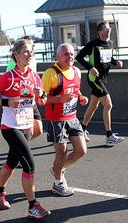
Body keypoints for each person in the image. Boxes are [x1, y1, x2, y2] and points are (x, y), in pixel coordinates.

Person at [0, 38, 50, 219]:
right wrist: (7, 102)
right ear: (16, 55)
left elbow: (43, 101)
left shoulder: (34, 76)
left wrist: (41, 94)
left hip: (26, 125)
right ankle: (33, 206)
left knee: (12, 162)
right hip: (10, 126)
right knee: (29, 164)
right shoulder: (8, 77)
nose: (30, 55)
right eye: (26, 52)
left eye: (31, 52)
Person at [41, 43, 88, 197]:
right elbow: (41, 98)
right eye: (66, 54)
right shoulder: (51, 73)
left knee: (81, 150)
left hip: (72, 117)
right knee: (61, 152)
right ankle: (57, 183)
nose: (70, 57)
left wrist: (81, 97)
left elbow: (75, 89)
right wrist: (60, 98)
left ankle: (57, 169)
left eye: (72, 54)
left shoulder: (76, 71)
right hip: (56, 119)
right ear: (58, 57)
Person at [75, 20, 124, 144]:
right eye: (106, 29)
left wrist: (115, 62)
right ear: (99, 32)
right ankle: (109, 135)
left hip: (104, 78)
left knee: (93, 106)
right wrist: (90, 68)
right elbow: (79, 57)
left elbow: (107, 58)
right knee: (108, 105)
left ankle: (81, 129)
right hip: (95, 79)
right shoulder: (93, 44)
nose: (109, 31)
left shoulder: (110, 43)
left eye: (109, 29)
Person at [6, 35, 43, 141]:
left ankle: (17, 149)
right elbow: (10, 83)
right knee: (28, 132)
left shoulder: (33, 60)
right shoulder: (13, 64)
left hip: (32, 100)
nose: (33, 48)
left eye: (33, 46)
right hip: (22, 103)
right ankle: (18, 151)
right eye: (30, 46)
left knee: (39, 130)